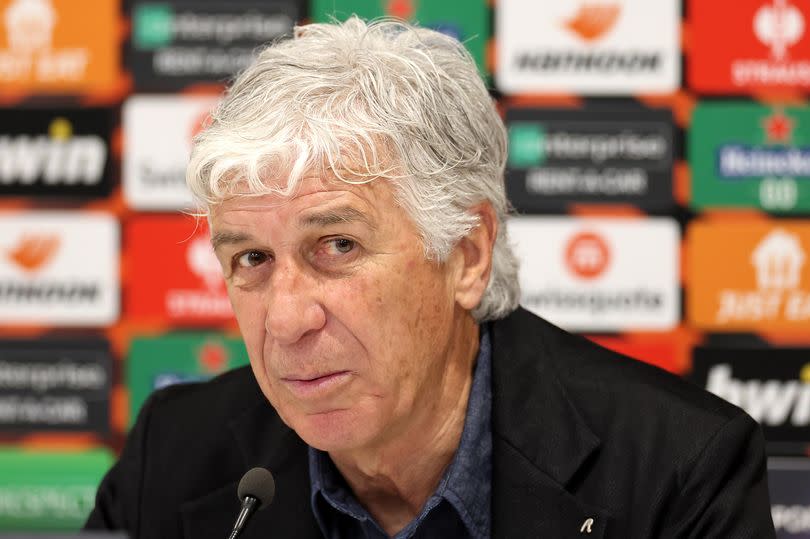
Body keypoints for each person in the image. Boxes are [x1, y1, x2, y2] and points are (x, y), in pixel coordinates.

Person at [85, 17, 776, 538]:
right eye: (252, 260)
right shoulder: (172, 456)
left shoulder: (676, 473)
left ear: (468, 255)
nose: (287, 319)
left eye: (337, 244)